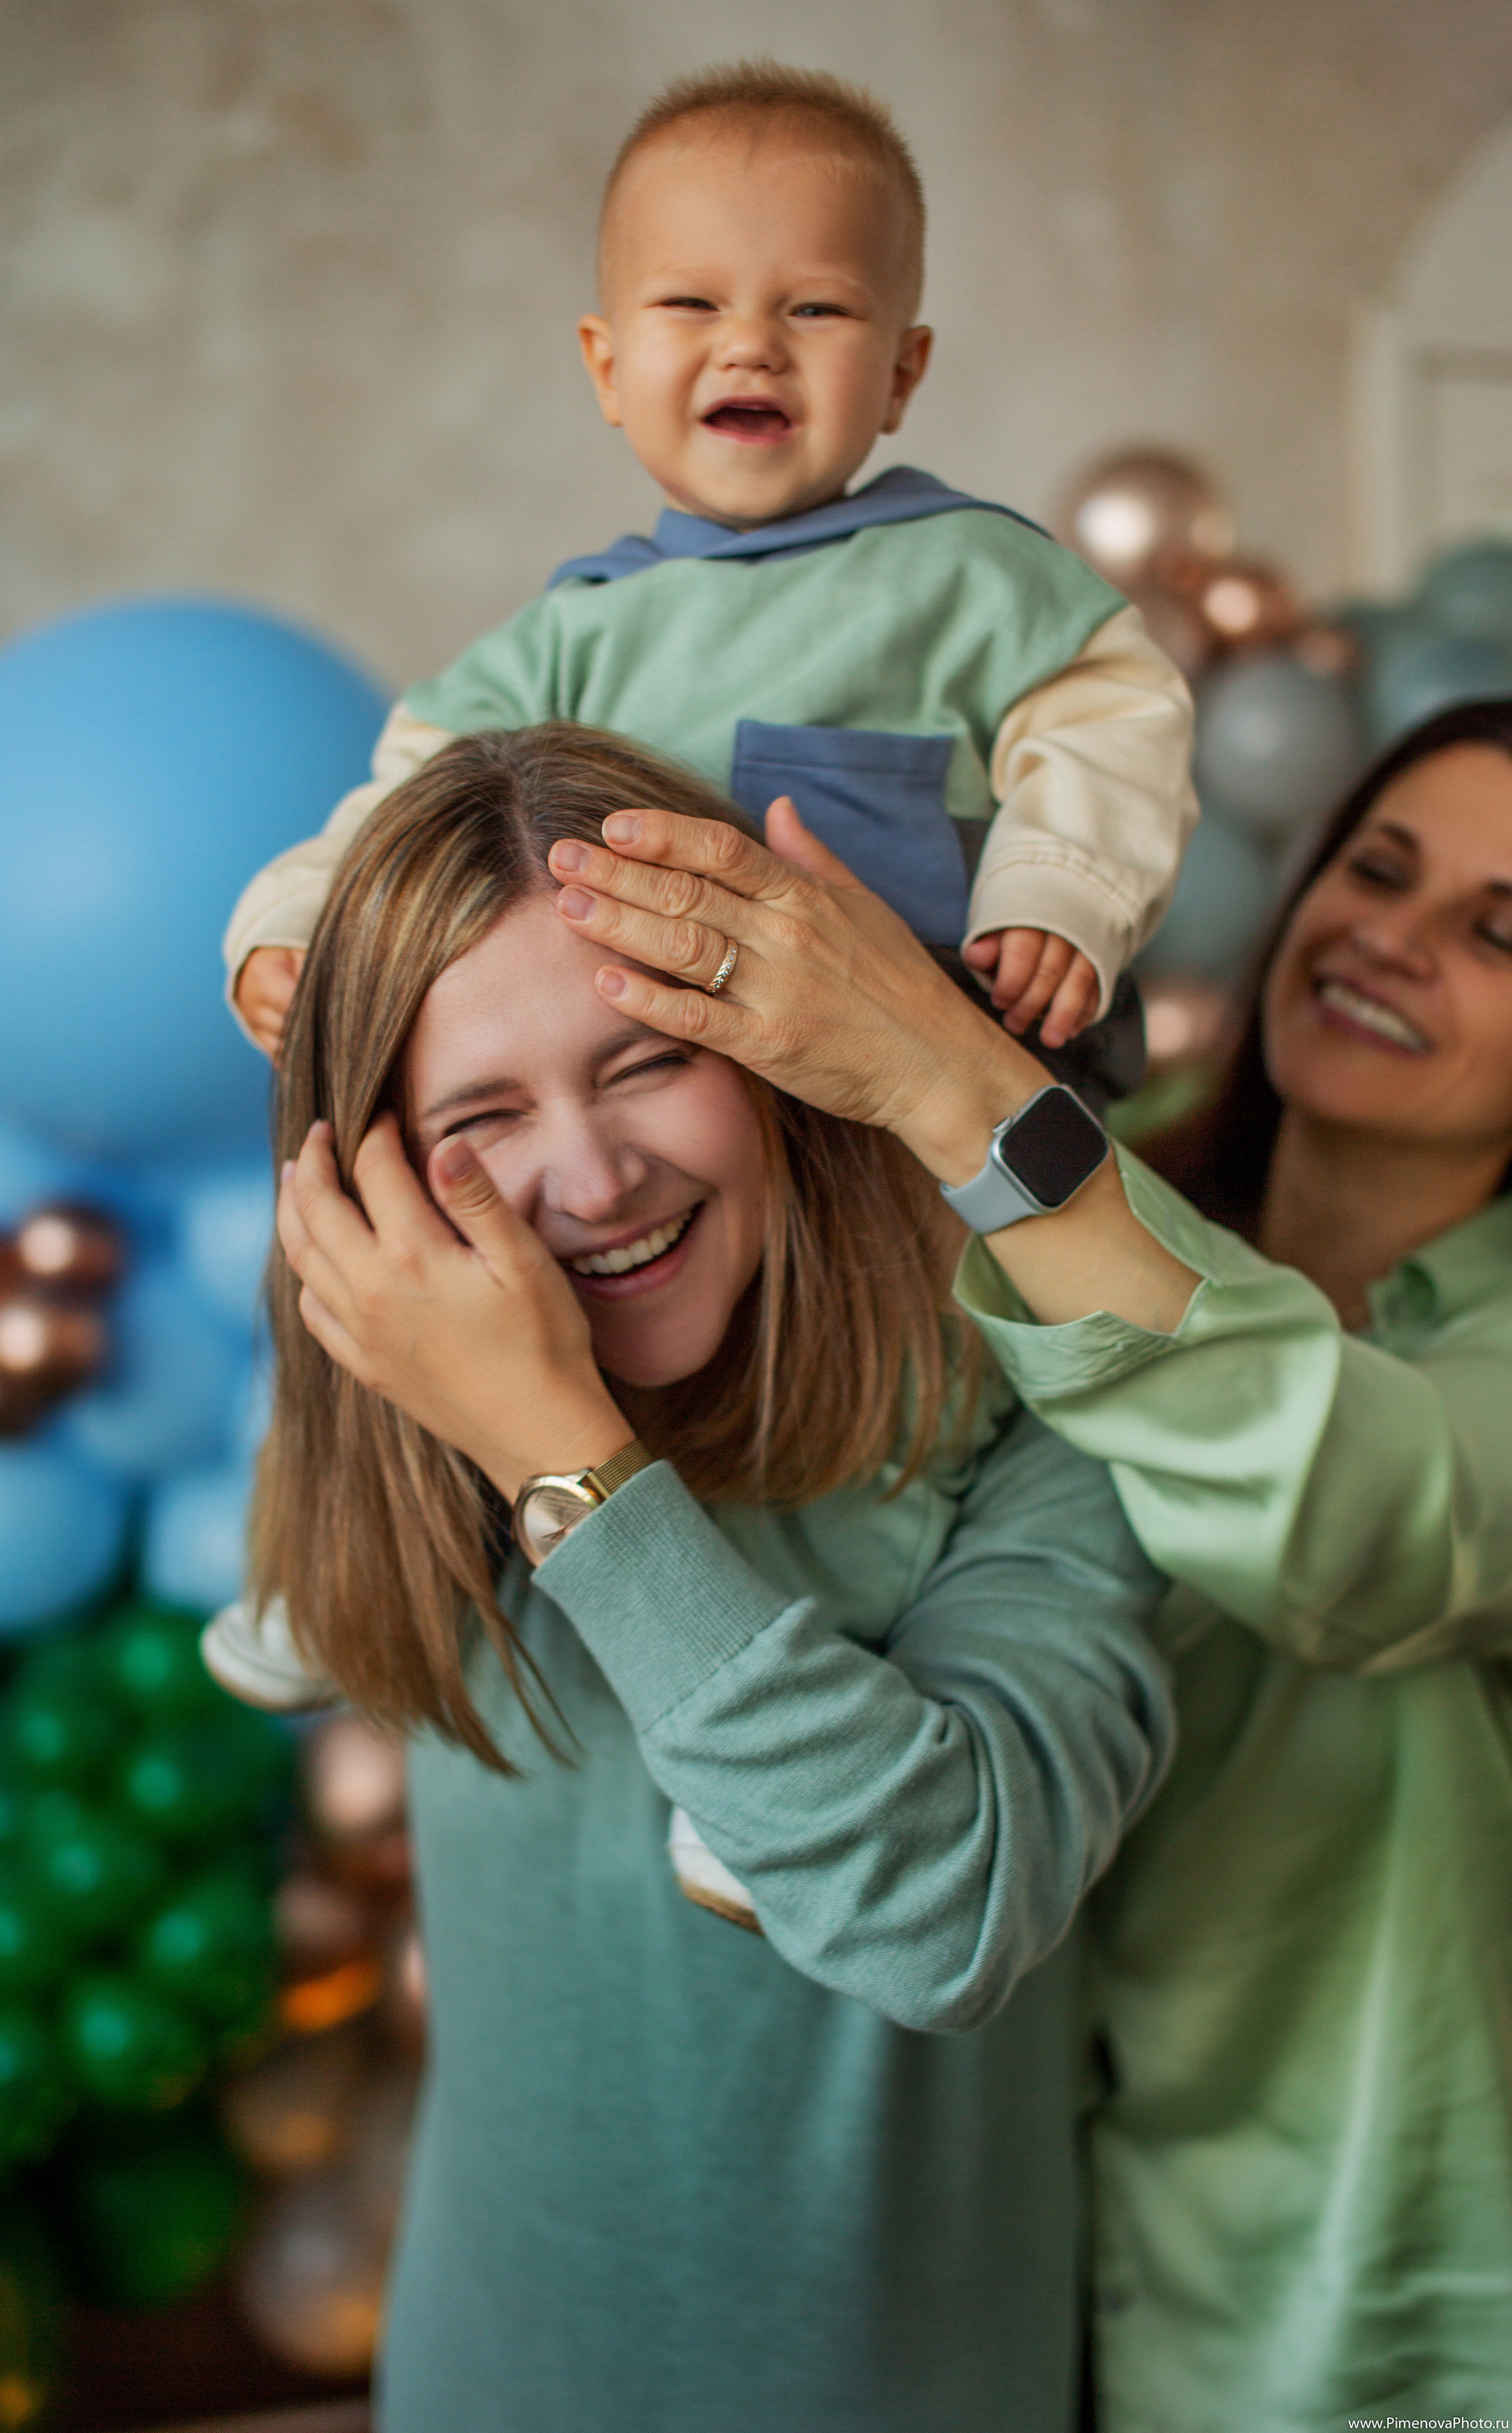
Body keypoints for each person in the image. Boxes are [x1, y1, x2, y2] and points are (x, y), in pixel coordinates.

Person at [550, 696, 1512, 2430]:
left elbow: (1343, 1513)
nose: (1392, 935)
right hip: (1035, 2271)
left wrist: (936, 1068)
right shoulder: (1078, 1198)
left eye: (1497, 930)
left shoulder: (1034, 1180)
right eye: (1376, 867)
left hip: (1390, 2323)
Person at [255, 721, 1175, 2433]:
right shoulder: (428, 1404)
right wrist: (470, 1410)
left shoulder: (1036, 1401)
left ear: (770, 1056)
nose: (598, 1180)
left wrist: (567, 1462)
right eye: (485, 1116)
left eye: (645, 1061)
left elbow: (944, 1919)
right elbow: (289, 1626)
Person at [224, 58, 1195, 1076]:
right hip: (660, 1111)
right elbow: (415, 807)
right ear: (608, 367)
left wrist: (1058, 887)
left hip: (922, 1095)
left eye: (815, 310)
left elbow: (1115, 726)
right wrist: (306, 919)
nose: (750, 347)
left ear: (902, 374)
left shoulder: (976, 576)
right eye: (692, 303)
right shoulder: (566, 641)